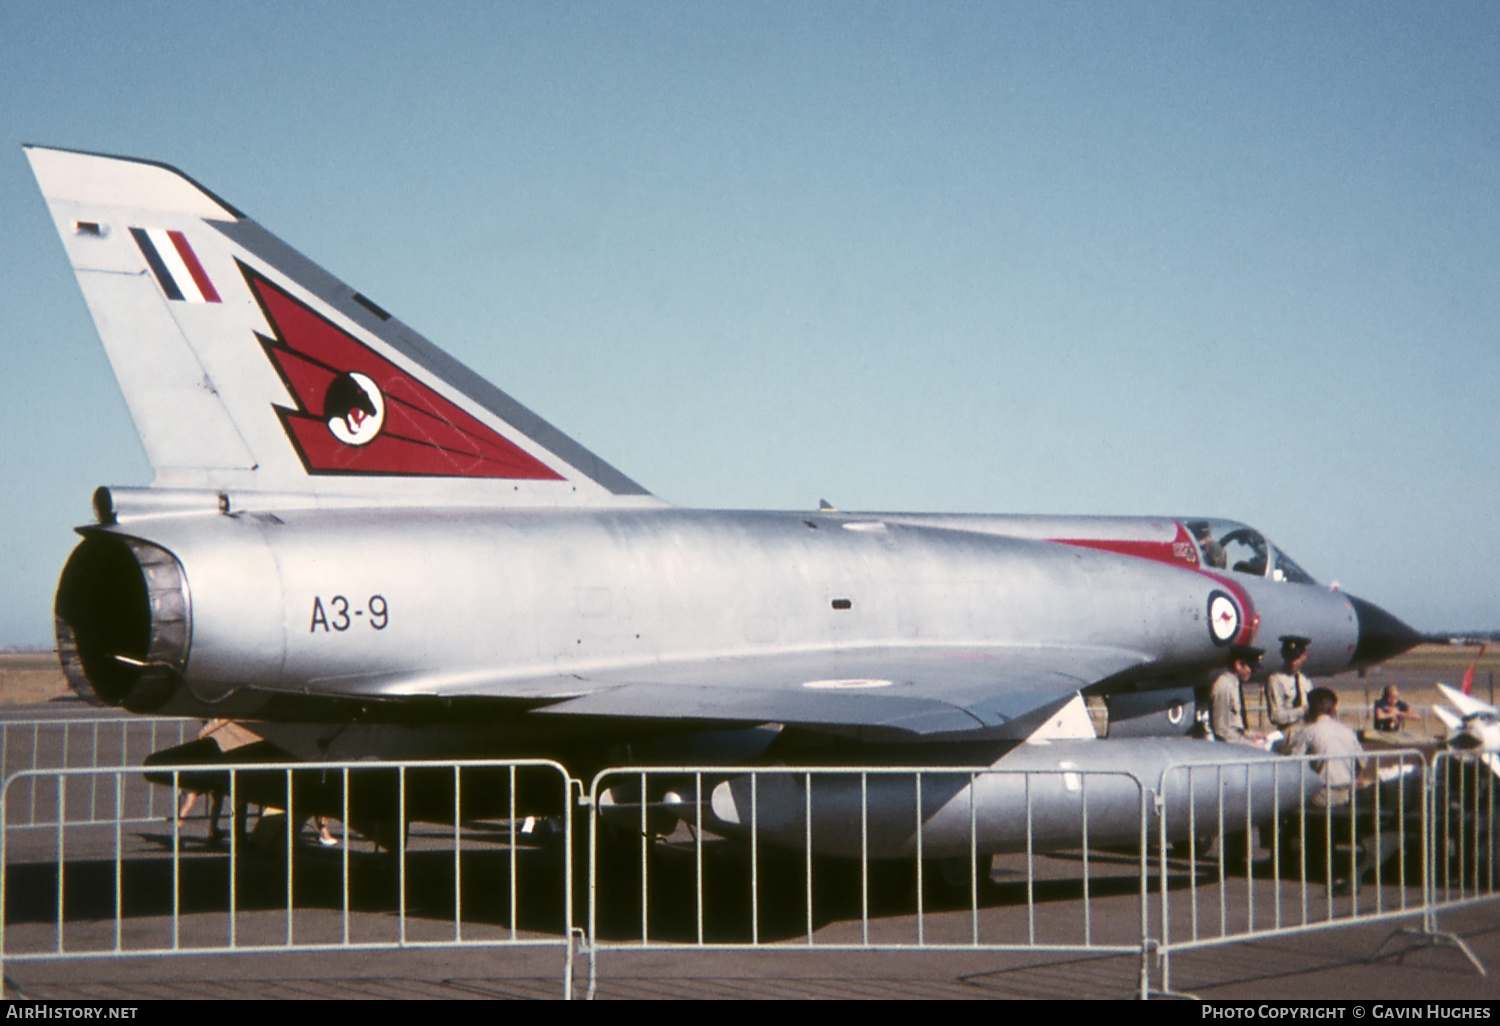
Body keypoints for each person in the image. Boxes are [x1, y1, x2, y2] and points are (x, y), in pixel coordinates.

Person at [1283, 687, 1366, 806]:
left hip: (1321, 795)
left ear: (1309, 710)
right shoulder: (1348, 731)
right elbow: (1362, 763)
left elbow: (1295, 765)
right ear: (1333, 710)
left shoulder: (1308, 732)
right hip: (1348, 794)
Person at [1209, 645, 1263, 744]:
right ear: (1239, 664)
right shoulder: (1224, 686)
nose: (1252, 672)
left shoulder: (1234, 685)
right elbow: (1222, 731)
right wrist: (1251, 745)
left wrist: (1253, 736)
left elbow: (1236, 728)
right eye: (1251, 667)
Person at [1264, 635, 1312, 731]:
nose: (1292, 662)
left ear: (1304, 655)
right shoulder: (1276, 679)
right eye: (1289, 658)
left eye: (1296, 658)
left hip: (1306, 731)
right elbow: (1275, 716)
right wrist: (1302, 711)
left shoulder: (1305, 681)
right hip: (1288, 732)